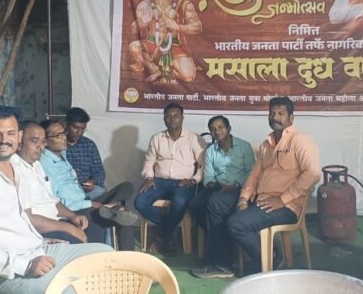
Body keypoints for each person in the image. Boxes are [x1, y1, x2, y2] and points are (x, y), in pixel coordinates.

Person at [0, 106, 111, 294]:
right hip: (10, 273)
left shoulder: (17, 168)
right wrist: (25, 266)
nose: (4, 140)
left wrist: (43, 241)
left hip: (39, 250)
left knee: (107, 257)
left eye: (10, 133)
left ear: (19, 136)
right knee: (74, 289)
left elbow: (24, 217)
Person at [227, 97, 321, 273]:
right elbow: (254, 175)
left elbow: (313, 173)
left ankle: (272, 258)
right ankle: (227, 261)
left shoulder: (300, 140)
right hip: (262, 200)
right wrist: (243, 198)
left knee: (237, 224)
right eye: (272, 113)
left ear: (291, 118)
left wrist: (282, 199)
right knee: (223, 207)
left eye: (280, 113)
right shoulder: (266, 145)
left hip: (287, 207)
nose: (275, 117)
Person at [39, 119, 138, 250]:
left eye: (63, 133)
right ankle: (112, 210)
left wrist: (92, 185)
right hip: (75, 209)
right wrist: (90, 204)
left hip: (85, 198)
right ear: (45, 141)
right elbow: (56, 200)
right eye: (58, 135)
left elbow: (99, 172)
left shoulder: (62, 155)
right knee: (125, 215)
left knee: (127, 187)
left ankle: (109, 208)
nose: (64, 137)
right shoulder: (45, 164)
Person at [134, 103, 207, 254]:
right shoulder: (157, 138)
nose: (172, 119)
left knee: (179, 202)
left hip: (184, 182)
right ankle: (169, 230)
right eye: (168, 116)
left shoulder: (194, 139)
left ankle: (161, 237)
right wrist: (149, 177)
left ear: (182, 118)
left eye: (176, 116)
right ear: (164, 119)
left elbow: (203, 165)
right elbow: (148, 162)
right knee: (140, 202)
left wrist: (194, 180)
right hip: (159, 181)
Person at [190, 116, 255, 279]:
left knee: (214, 203)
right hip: (218, 188)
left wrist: (235, 186)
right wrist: (212, 185)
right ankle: (220, 234)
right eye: (213, 129)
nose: (217, 131)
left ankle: (221, 261)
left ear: (229, 129)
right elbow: (208, 176)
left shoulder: (244, 147)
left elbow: (252, 174)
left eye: (220, 127)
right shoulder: (211, 151)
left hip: (240, 189)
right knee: (195, 204)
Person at [128, 0, 203, 83]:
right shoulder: (145, 5)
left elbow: (197, 27)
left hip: (174, 46)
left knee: (188, 76)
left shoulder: (184, 4)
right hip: (152, 44)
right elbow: (133, 29)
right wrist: (143, 23)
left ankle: (166, 72)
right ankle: (154, 70)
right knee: (134, 46)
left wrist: (177, 26)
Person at [16, 121, 90, 244]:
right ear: (19, 141)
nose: (40, 147)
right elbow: (27, 218)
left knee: (90, 227)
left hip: (55, 219)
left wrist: (72, 216)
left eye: (43, 142)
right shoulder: (16, 170)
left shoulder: (36, 165)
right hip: (38, 230)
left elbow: (53, 200)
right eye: (35, 141)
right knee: (81, 241)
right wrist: (68, 228)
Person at [65, 107, 106, 200]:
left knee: (102, 191)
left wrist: (92, 181)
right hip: (67, 191)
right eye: (75, 128)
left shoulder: (89, 145)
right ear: (66, 125)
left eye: (83, 129)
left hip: (87, 190)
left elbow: (100, 172)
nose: (79, 132)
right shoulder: (58, 145)